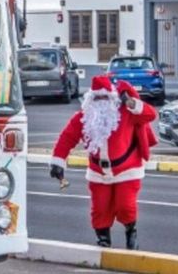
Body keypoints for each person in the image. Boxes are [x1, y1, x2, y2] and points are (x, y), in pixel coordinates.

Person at [49, 75, 158, 250]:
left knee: (125, 206)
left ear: (112, 97)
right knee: (100, 209)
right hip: (98, 172)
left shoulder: (126, 113)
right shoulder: (84, 118)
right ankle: (103, 240)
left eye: (105, 97)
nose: (101, 102)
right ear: (90, 99)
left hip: (127, 170)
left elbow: (151, 115)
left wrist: (131, 103)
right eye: (97, 98)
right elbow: (67, 137)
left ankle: (131, 231)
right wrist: (58, 161)